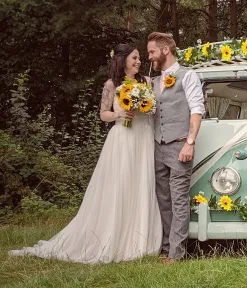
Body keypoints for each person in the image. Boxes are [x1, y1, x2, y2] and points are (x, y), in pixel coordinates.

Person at [8, 43, 163, 264]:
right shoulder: (111, 85)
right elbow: (103, 114)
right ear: (122, 60)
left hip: (143, 137)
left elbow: (154, 109)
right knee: (121, 184)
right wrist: (120, 113)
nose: (139, 61)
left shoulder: (147, 82)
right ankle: (114, 236)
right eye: (134, 58)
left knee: (142, 183)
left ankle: (140, 239)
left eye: (139, 58)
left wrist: (145, 107)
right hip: (123, 139)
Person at [147, 32, 205, 264]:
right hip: (158, 145)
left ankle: (177, 253)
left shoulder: (187, 76)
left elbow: (197, 110)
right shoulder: (153, 82)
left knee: (179, 199)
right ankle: (165, 247)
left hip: (180, 144)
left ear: (165, 50)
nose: (149, 56)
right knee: (163, 199)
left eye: (152, 52)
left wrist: (190, 142)